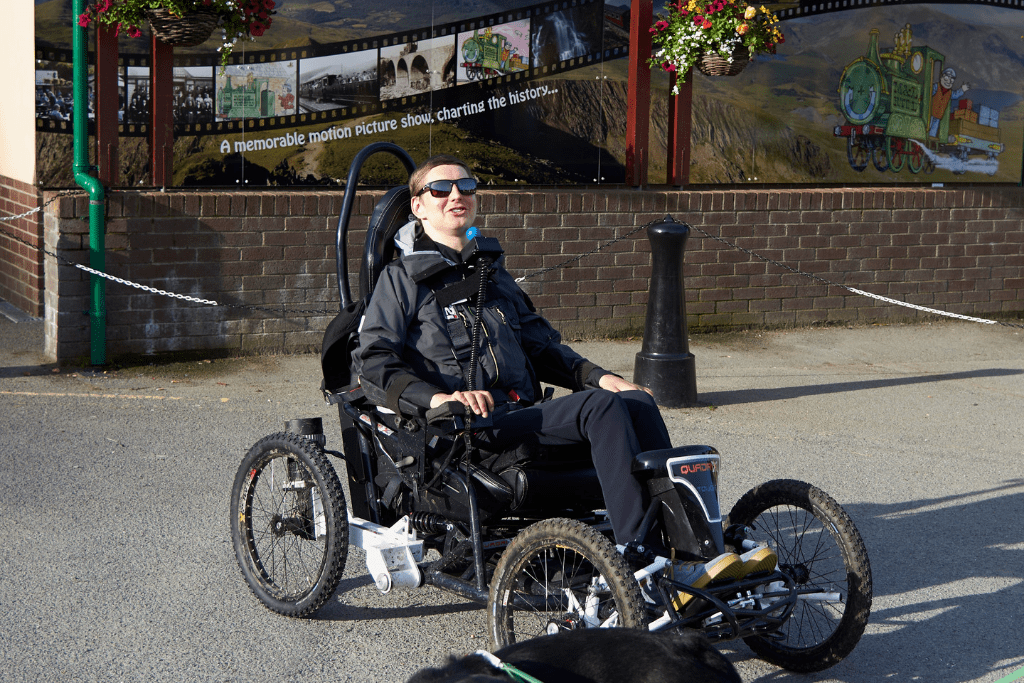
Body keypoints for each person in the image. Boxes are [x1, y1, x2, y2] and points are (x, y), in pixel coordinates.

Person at [353, 155, 767, 583]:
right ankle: (637, 559)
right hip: (464, 433)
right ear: (418, 207)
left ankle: (690, 553)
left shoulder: (491, 273)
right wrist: (441, 398)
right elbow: (375, 363)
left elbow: (542, 346)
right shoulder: (400, 280)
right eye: (440, 189)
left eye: (467, 186)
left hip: (520, 417)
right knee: (600, 409)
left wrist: (600, 377)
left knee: (635, 401)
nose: (456, 195)